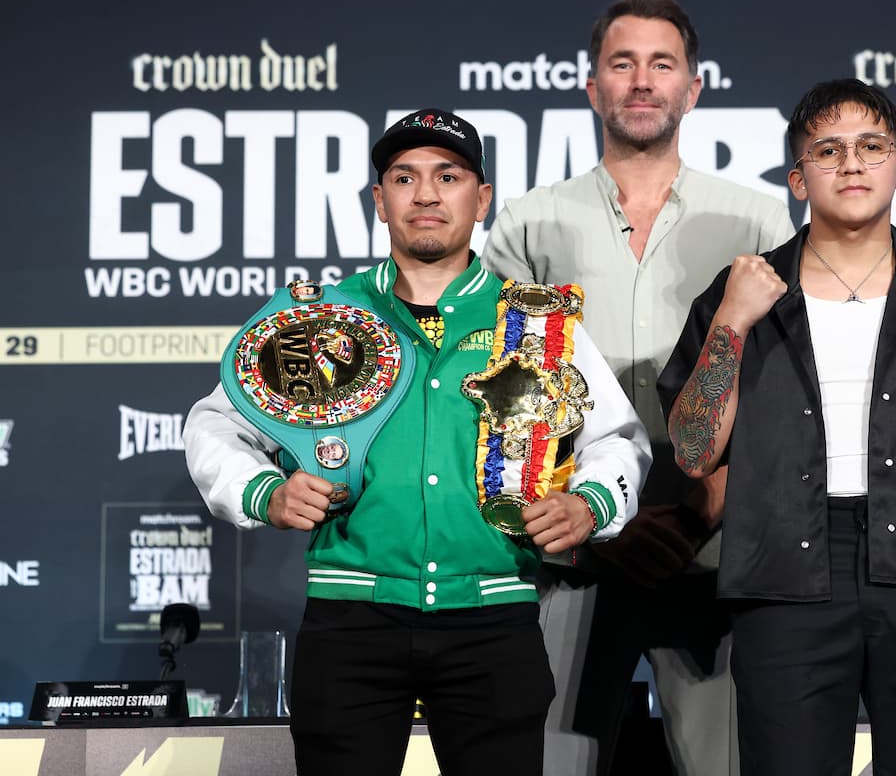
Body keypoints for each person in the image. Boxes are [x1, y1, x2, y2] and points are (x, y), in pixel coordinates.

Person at [183, 108, 650, 776]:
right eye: (404, 177)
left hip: (494, 615)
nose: (426, 194)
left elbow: (619, 441)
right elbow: (214, 424)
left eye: (448, 175)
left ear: (481, 197)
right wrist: (264, 493)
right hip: (352, 617)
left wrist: (591, 505)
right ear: (379, 199)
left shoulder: (535, 321)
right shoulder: (320, 318)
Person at [660, 78, 896, 776]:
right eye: (828, 151)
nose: (852, 164)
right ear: (799, 180)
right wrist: (732, 323)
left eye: (871, 147)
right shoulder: (744, 289)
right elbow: (691, 453)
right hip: (786, 576)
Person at [483, 0, 793, 776]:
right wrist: (600, 523)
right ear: (593, 88)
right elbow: (506, 402)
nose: (642, 80)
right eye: (622, 64)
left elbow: (788, 399)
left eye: (663, 64)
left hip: (719, 558)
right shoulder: (528, 223)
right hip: (572, 563)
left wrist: (699, 515)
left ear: (694, 87)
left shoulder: (759, 222)